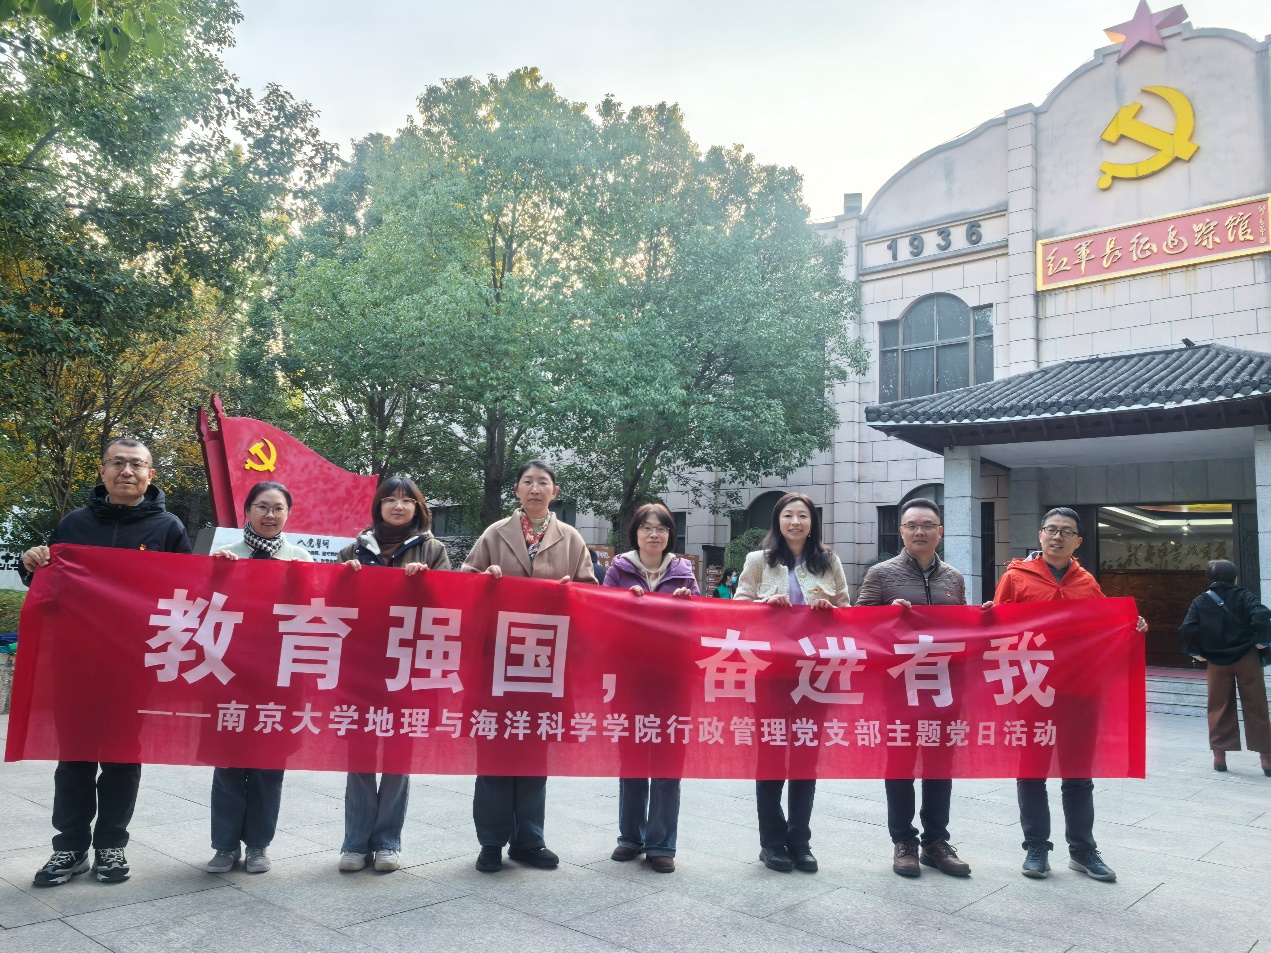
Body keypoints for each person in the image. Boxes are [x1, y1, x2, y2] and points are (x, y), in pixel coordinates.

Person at [19, 438, 193, 887]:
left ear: (151, 475)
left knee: (121, 757)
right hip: (77, 661)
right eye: (118, 463)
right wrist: (31, 562)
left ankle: (112, 844)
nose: (126, 471)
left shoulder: (168, 528)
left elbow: (188, 594)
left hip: (134, 665)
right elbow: (47, 583)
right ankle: (69, 848)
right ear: (102, 471)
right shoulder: (74, 524)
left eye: (136, 464)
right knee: (74, 757)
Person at [989, 506, 1147, 884]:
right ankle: (1036, 847)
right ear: (1040, 535)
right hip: (1034, 691)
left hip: (1080, 691)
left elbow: (1104, 627)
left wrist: (1131, 626)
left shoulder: (1087, 583)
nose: (1057, 536)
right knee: (1032, 771)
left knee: (1078, 773)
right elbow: (996, 632)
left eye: (1066, 532)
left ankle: (1082, 849)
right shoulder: (1015, 578)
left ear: (1078, 541)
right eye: (1051, 529)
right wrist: (987, 619)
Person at [461, 460, 596, 872]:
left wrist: (572, 593)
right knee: (494, 752)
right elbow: (463, 582)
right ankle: (491, 841)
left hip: (545, 664)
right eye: (527, 482)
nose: (535, 489)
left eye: (543, 483)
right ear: (517, 490)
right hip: (497, 661)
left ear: (555, 492)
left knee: (535, 754)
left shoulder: (571, 538)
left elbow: (591, 593)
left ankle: (529, 841)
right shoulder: (495, 533)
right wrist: (484, 579)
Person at [337, 476, 451, 873]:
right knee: (359, 756)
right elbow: (332, 609)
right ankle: (354, 843)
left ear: (418, 507)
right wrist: (343, 579)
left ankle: (387, 842)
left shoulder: (433, 550)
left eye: (407, 500)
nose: (398, 506)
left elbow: (450, 606)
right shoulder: (353, 550)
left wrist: (428, 583)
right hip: (362, 667)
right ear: (379, 506)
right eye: (391, 499)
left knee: (398, 757)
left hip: (408, 668)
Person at [733, 492, 850, 873]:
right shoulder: (759, 560)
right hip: (770, 673)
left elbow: (847, 613)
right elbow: (737, 609)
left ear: (813, 522)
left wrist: (829, 611)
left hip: (815, 675)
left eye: (803, 516)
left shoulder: (829, 561)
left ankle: (800, 841)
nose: (795, 522)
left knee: (805, 758)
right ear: (777, 521)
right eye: (788, 515)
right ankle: (772, 842)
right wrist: (764, 606)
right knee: (770, 757)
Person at [856, 497, 972, 879]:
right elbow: (859, 626)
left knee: (940, 764)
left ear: (940, 531)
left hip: (944, 686)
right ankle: (904, 841)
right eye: (912, 525)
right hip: (899, 686)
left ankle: (936, 842)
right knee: (901, 763)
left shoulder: (954, 578)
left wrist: (987, 620)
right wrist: (888, 615)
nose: (920, 531)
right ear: (901, 531)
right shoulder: (881, 575)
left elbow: (964, 628)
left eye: (927, 525)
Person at [205, 481, 312, 876]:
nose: (270, 515)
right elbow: (201, 607)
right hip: (229, 676)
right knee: (228, 765)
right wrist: (217, 575)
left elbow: (315, 615)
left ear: (288, 514)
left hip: (279, 679)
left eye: (278, 508)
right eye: (262, 507)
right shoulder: (225, 555)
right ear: (247, 511)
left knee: (269, 767)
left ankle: (258, 846)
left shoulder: (300, 559)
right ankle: (224, 846)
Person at [602, 503, 699, 873]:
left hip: (673, 677)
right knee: (631, 758)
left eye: (661, 528)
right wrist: (624, 606)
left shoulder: (683, 572)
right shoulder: (619, 569)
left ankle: (661, 843)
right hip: (630, 676)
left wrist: (687, 606)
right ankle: (631, 836)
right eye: (646, 527)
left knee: (668, 761)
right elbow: (603, 615)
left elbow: (699, 622)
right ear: (636, 533)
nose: (654, 534)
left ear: (670, 534)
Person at [1179, 559, 1271, 776]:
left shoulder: (1201, 600)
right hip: (1247, 657)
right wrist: (1263, 642)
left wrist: (1195, 653)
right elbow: (1262, 615)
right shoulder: (1245, 596)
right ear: (1234, 576)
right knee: (1257, 705)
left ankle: (1220, 756)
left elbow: (1187, 628)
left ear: (1210, 577)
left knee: (1218, 706)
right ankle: (1266, 758)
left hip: (1216, 661)